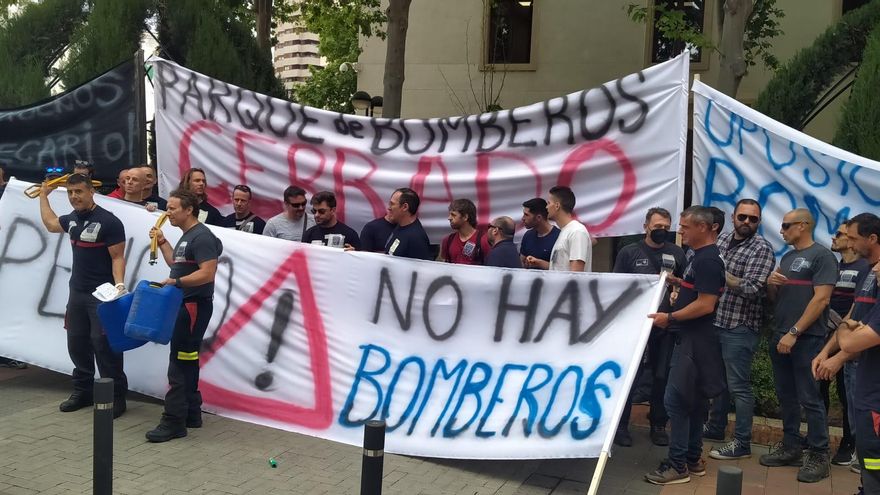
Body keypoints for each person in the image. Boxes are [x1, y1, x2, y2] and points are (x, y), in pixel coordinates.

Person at [644, 206, 725, 485]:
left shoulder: (708, 261)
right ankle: (692, 458)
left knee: (676, 401)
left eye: (685, 226)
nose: (680, 231)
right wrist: (681, 283)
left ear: (703, 228)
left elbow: (706, 303)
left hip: (694, 341)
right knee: (692, 401)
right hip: (693, 339)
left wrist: (670, 316)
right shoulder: (698, 257)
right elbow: (698, 291)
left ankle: (678, 465)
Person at [37, 173, 129, 418]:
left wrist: (119, 286)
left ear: (91, 192)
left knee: (104, 346)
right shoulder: (72, 220)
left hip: (101, 296)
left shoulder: (109, 222)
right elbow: (51, 224)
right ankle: (83, 391)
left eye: (78, 191)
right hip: (76, 293)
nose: (74, 197)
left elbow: (117, 257)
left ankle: (116, 397)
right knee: (77, 342)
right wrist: (44, 197)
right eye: (70, 192)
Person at [760, 208, 837, 483]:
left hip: (805, 339)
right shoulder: (789, 256)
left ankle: (818, 454)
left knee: (810, 398)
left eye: (786, 225)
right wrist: (771, 283)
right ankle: (791, 446)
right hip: (780, 335)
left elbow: (822, 300)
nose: (781, 231)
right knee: (786, 397)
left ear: (803, 226)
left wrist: (794, 332)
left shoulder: (822, 256)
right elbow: (776, 298)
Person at [146, 189, 223, 442]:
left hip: (193, 307)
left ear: (188, 210)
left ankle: (173, 421)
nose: (167, 212)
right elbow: (176, 265)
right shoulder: (186, 237)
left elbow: (207, 273)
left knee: (178, 364)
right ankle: (191, 412)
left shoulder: (201, 237)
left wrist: (176, 282)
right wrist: (164, 242)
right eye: (167, 208)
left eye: (172, 208)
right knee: (187, 359)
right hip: (186, 305)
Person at [704, 199, 776, 460]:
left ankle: (742, 443)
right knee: (718, 383)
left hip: (740, 326)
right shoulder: (721, 240)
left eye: (753, 219)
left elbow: (753, 287)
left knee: (739, 388)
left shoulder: (762, 249)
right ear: (733, 216)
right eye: (743, 217)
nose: (747, 222)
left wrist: (720, 274)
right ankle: (715, 428)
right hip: (716, 321)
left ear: (759, 222)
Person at [614, 207, 686, 448]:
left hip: (665, 326)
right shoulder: (629, 252)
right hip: (635, 326)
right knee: (630, 377)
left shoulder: (676, 253)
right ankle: (621, 425)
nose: (662, 231)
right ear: (646, 227)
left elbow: (686, 285)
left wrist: (678, 293)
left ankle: (657, 424)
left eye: (666, 227)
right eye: (657, 227)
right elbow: (617, 288)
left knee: (661, 376)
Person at [813, 213, 880, 477]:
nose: (849, 244)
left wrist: (843, 334)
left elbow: (856, 333)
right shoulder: (868, 273)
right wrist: (829, 353)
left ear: (872, 238)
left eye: (853, 238)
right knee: (867, 457)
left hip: (876, 391)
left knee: (874, 458)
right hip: (865, 383)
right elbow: (854, 319)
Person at [819, 220, 868, 465]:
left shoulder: (864, 268)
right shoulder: (834, 266)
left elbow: (857, 308)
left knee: (849, 394)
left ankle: (851, 445)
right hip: (828, 335)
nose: (834, 237)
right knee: (823, 391)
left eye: (840, 234)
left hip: (849, 340)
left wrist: (842, 337)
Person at [838, 260, 880, 494]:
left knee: (873, 458)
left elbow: (850, 341)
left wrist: (844, 325)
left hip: (876, 402)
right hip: (870, 395)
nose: (874, 269)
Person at [544, 186, 591, 272]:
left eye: (548, 203)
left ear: (557, 206)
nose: (546, 207)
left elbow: (576, 273)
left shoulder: (577, 231)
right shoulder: (565, 231)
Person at [384, 187, 432, 260]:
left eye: (392, 204)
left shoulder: (416, 238)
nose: (389, 208)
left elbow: (420, 268)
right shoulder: (400, 226)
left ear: (405, 207)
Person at [440, 199, 490, 265]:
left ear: (465, 217)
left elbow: (490, 267)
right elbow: (443, 266)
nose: (449, 218)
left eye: (453, 215)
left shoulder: (483, 240)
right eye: (449, 214)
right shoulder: (448, 240)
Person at [520, 198, 560, 270]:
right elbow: (521, 263)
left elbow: (561, 268)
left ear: (538, 217)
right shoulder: (528, 235)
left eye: (526, 215)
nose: (522, 218)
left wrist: (539, 263)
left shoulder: (558, 237)